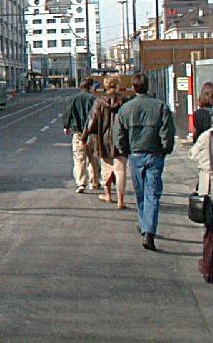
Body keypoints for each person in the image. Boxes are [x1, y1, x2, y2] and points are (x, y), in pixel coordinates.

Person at [114, 73, 175, 251]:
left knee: (140, 192)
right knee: (153, 193)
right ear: (148, 87)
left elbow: (119, 135)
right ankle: (148, 229)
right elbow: (167, 132)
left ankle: (144, 225)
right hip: (155, 154)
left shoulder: (126, 109)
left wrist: (124, 151)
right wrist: (165, 149)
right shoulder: (160, 107)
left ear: (134, 88)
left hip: (135, 154)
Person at [81, 75, 127, 208]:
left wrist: (83, 138)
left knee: (106, 168)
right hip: (121, 138)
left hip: (103, 139)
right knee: (121, 169)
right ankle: (120, 200)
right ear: (117, 85)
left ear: (105, 86)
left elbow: (91, 122)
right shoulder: (124, 100)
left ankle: (108, 195)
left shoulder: (99, 101)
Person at [63, 77, 100, 194]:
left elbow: (68, 113)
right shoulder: (94, 99)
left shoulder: (73, 99)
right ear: (90, 87)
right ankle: (94, 182)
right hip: (92, 133)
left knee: (79, 158)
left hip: (78, 133)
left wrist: (66, 126)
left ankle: (81, 183)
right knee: (93, 158)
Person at [189, 126, 213, 283]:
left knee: (210, 231)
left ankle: (208, 267)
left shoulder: (207, 135)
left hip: (209, 187)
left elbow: (193, 154)